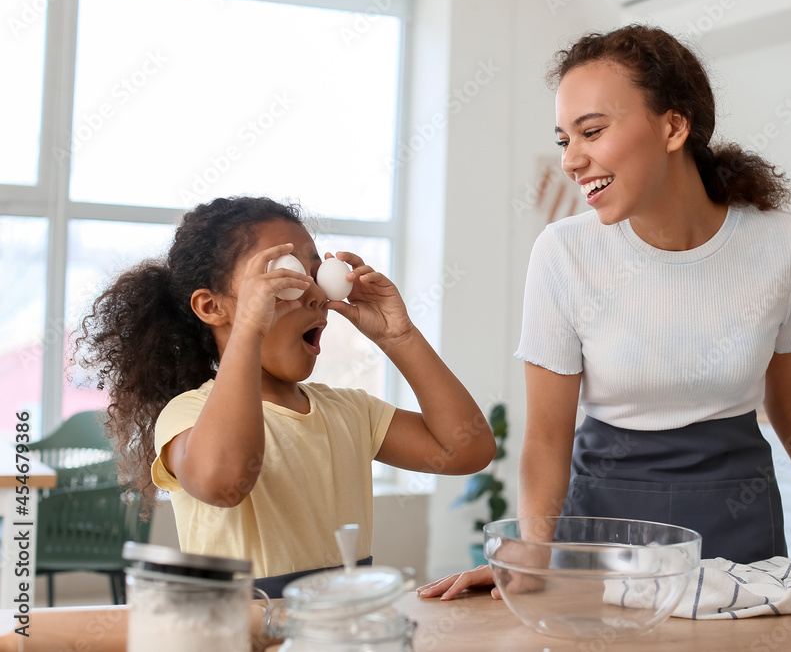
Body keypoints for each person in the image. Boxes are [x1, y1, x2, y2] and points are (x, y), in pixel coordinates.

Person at [419, 24, 791, 601]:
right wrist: (530, 555)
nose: (571, 160)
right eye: (564, 139)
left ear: (674, 126)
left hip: (741, 527)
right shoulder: (564, 253)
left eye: (592, 131)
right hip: (603, 535)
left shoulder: (783, 245)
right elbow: (545, 439)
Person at [75, 196, 496, 597]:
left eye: (317, 275)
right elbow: (224, 482)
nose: (316, 293)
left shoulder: (350, 411)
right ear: (211, 307)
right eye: (285, 275)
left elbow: (466, 449)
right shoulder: (188, 415)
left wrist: (399, 336)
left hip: (336, 632)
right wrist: (249, 331)